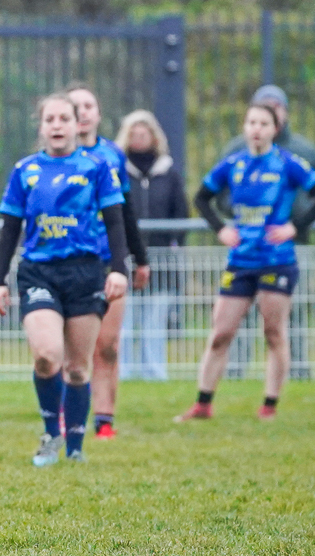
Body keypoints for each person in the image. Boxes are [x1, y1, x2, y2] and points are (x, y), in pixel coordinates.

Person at [0, 92, 130, 467]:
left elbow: (116, 222)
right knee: (47, 356)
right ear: (41, 126)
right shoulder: (25, 170)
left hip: (85, 272)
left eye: (63, 119)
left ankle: (76, 447)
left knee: (79, 367)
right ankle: (51, 433)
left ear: (76, 124)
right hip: (39, 272)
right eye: (49, 119)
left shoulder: (97, 167)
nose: (56, 126)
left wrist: (119, 269)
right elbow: (9, 230)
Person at [175, 102, 315, 423]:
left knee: (274, 331)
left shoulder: (289, 164)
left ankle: (269, 405)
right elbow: (201, 197)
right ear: (245, 127)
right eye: (251, 122)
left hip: (277, 260)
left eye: (263, 123)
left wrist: (295, 226)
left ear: (275, 129)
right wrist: (221, 228)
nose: (257, 129)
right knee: (221, 332)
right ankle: (203, 404)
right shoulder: (232, 164)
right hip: (240, 260)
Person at [219, 84, 315, 380]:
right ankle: (235, 372)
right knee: (238, 312)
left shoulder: (302, 150)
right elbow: (219, 194)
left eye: (275, 107)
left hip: (287, 247)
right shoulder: (236, 150)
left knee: (288, 315)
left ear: (284, 114)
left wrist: (297, 224)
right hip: (246, 247)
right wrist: (241, 216)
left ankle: (299, 371)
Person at [66, 83, 149, 439]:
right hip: (67, 264)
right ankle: (66, 416)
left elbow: (125, 213)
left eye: (89, 105)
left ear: (98, 114)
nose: (83, 112)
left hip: (107, 262)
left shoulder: (113, 157)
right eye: (76, 106)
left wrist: (138, 259)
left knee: (108, 345)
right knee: (71, 350)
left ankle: (104, 420)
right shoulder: (51, 159)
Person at [113, 110, 189, 381]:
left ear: (154, 136)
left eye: (144, 133)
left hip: (161, 260)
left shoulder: (168, 173)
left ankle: (154, 372)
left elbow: (181, 212)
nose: (138, 137)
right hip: (126, 259)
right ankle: (123, 371)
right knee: (125, 319)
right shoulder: (118, 172)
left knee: (154, 321)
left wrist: (173, 245)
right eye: (133, 133)